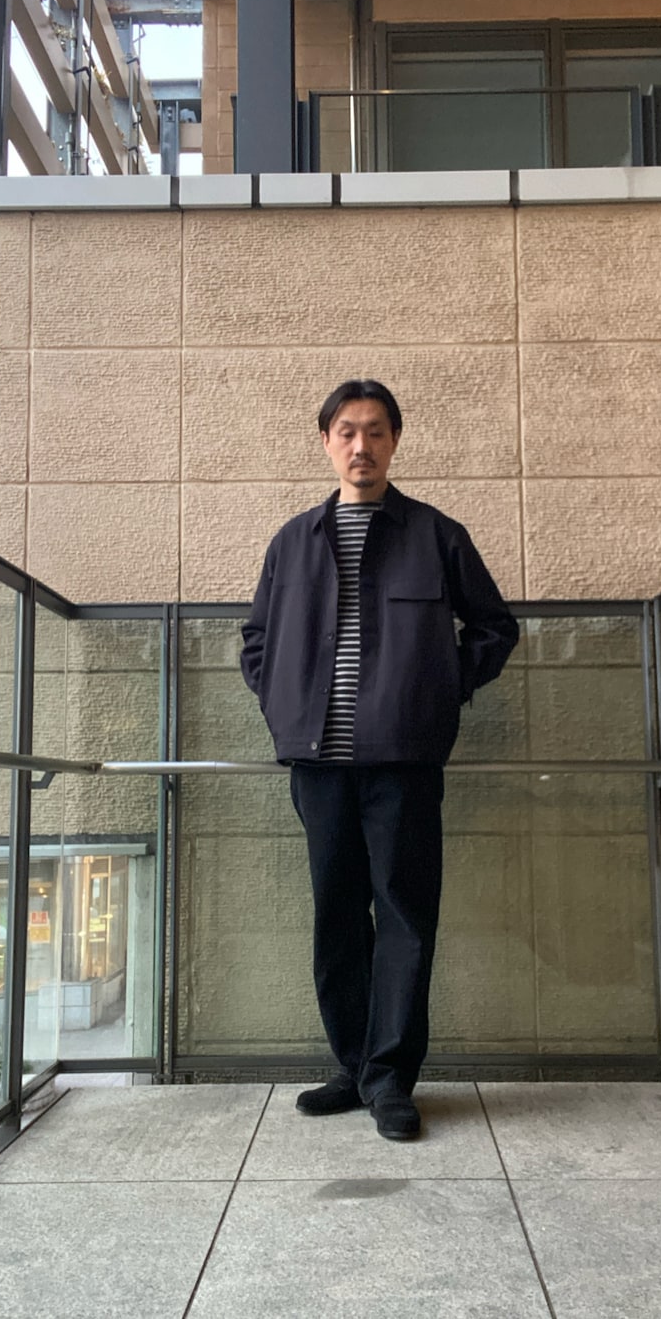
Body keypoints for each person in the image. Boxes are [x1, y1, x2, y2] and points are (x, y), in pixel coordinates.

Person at [241, 379, 518, 1140]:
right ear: (326, 442)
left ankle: (391, 1079)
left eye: (375, 432)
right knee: (336, 917)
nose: (361, 446)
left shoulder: (437, 535)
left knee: (403, 917)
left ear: (395, 441)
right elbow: (257, 641)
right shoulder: (292, 542)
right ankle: (353, 1066)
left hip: (404, 762)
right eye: (347, 432)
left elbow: (494, 628)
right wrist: (283, 706)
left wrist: (438, 691)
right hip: (319, 766)